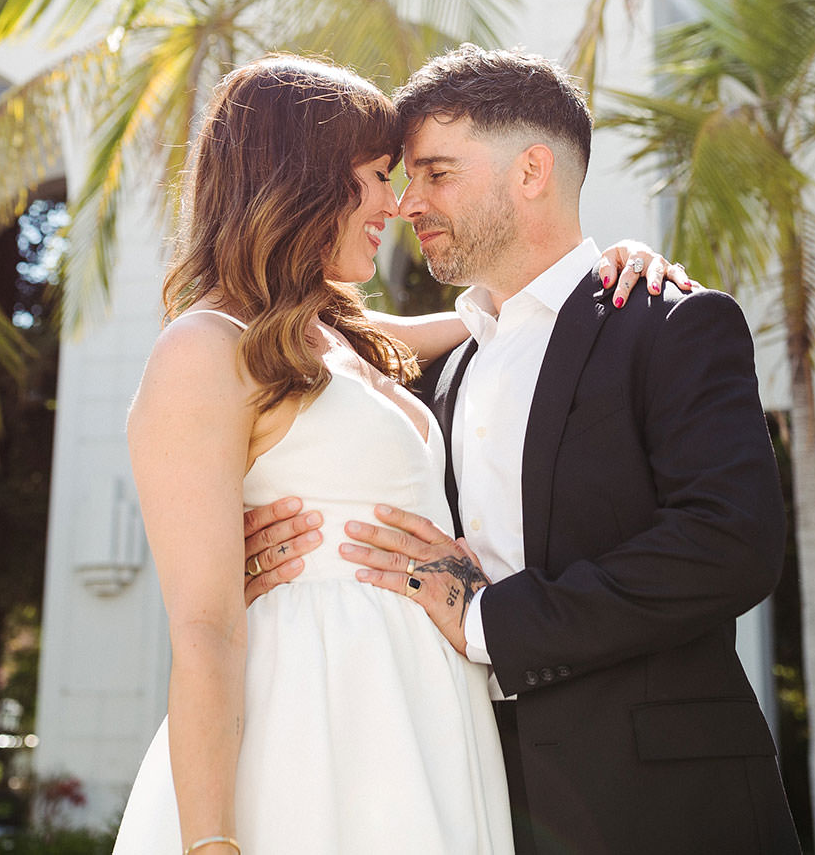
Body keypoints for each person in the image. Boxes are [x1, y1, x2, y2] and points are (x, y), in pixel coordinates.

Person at [111, 54, 692, 855]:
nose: (398, 201)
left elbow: (498, 317)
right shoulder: (203, 348)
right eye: (378, 174)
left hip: (427, 718)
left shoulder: (339, 338)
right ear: (300, 179)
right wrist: (210, 842)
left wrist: (610, 272)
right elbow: (205, 628)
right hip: (314, 723)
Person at [246, 45, 799, 855]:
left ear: (531, 169)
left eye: (437, 174)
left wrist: (492, 621)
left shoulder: (670, 322)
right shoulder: (440, 366)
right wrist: (252, 556)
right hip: (471, 788)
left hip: (661, 799)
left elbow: (730, 543)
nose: (407, 204)